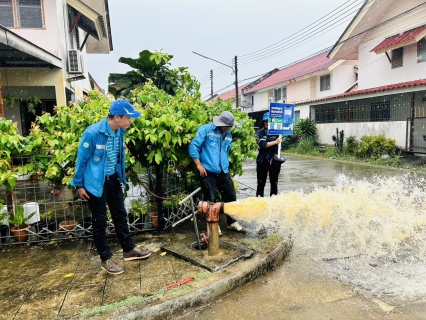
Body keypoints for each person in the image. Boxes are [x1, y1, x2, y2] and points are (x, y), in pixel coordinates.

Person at [71, 99, 151, 275]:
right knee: (100, 222)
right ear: (116, 117)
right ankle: (105, 258)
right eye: (128, 118)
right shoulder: (92, 133)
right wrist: (79, 185)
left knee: (120, 215)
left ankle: (129, 250)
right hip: (94, 183)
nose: (130, 121)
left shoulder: (119, 132)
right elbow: (81, 160)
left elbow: (117, 156)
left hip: (112, 180)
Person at [189, 111, 246, 232]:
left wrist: (225, 167)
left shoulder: (228, 135)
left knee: (231, 196)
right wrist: (198, 164)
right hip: (207, 171)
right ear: (222, 124)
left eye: (230, 126)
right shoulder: (206, 130)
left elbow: (225, 152)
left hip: (223, 171)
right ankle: (213, 226)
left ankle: (232, 222)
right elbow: (194, 146)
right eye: (228, 126)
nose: (229, 128)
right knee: (211, 200)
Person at [256, 112, 283, 197]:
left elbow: (278, 146)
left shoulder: (278, 134)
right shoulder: (261, 133)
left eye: (269, 121)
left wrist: (278, 140)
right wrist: (275, 142)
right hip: (262, 162)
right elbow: (263, 144)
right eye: (266, 121)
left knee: (274, 183)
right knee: (261, 183)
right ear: (263, 123)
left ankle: (273, 202)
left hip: (274, 161)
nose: (267, 123)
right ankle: (259, 202)